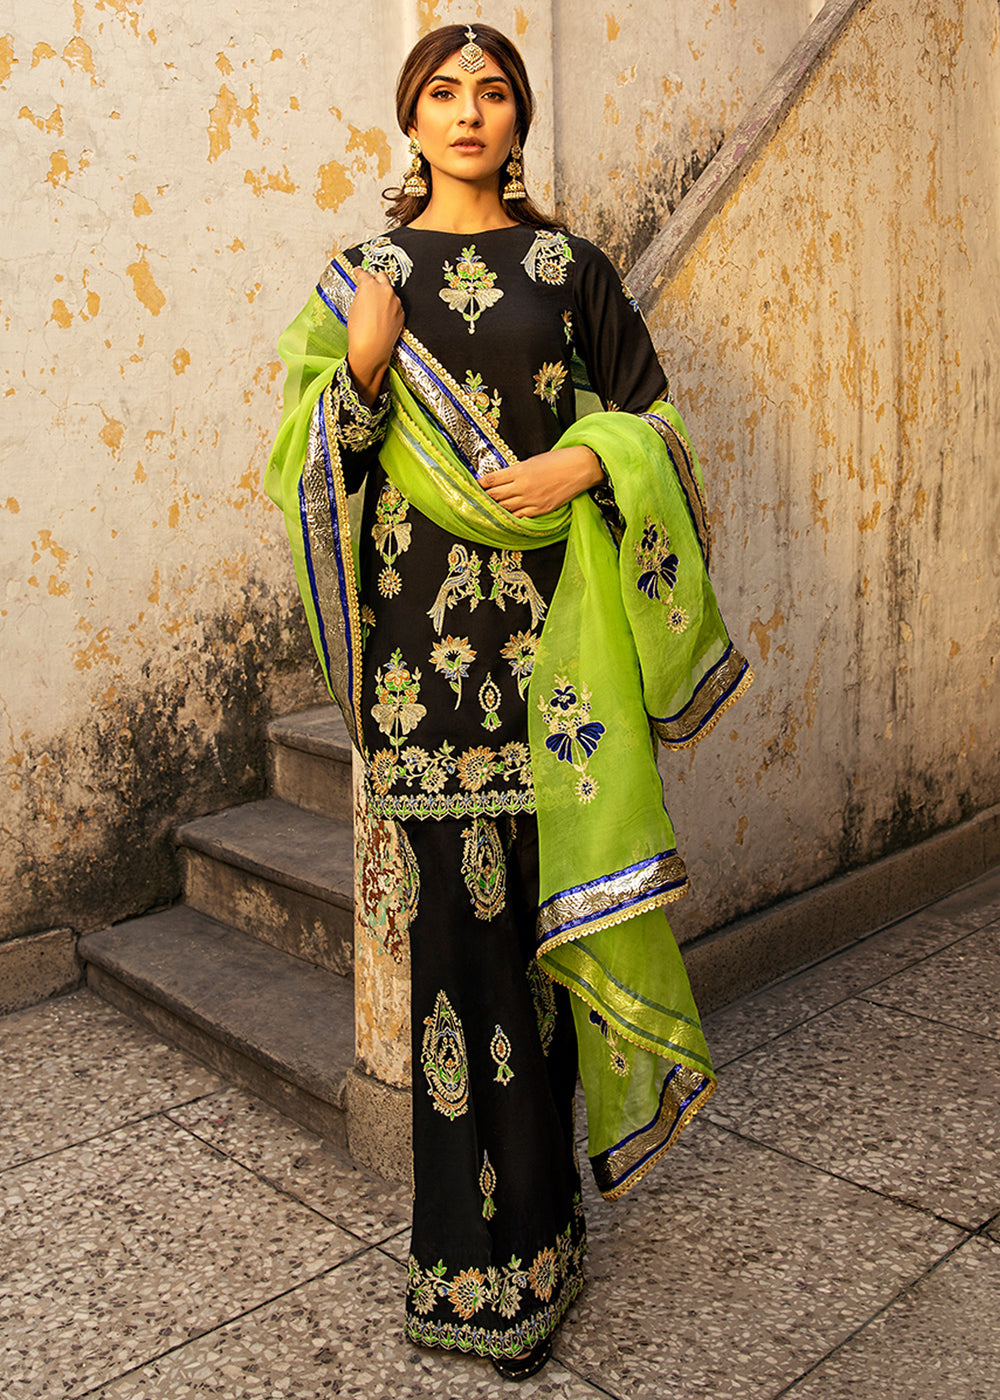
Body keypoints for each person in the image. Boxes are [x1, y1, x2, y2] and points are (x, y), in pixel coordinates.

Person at [265, 23, 752, 1381]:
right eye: (443, 93)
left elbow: (660, 427)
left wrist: (583, 465)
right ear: (411, 118)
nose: (467, 112)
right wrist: (363, 370)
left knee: (541, 948)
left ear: (516, 120)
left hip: (556, 670)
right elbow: (308, 468)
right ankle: (464, 1263)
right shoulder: (362, 280)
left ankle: (546, 1242)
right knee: (457, 968)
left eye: (490, 93)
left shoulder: (569, 268)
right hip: (424, 671)